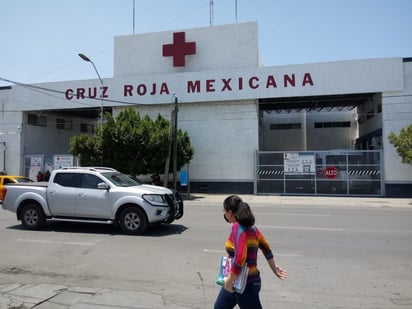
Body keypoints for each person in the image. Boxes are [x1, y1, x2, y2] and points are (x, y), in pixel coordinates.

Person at [214, 195, 288, 309]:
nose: (224, 214)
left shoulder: (237, 227)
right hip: (243, 281)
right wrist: (274, 268)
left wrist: (229, 280)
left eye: (224, 211)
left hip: (246, 284)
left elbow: (240, 257)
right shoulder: (252, 228)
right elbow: (266, 248)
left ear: (230, 212)